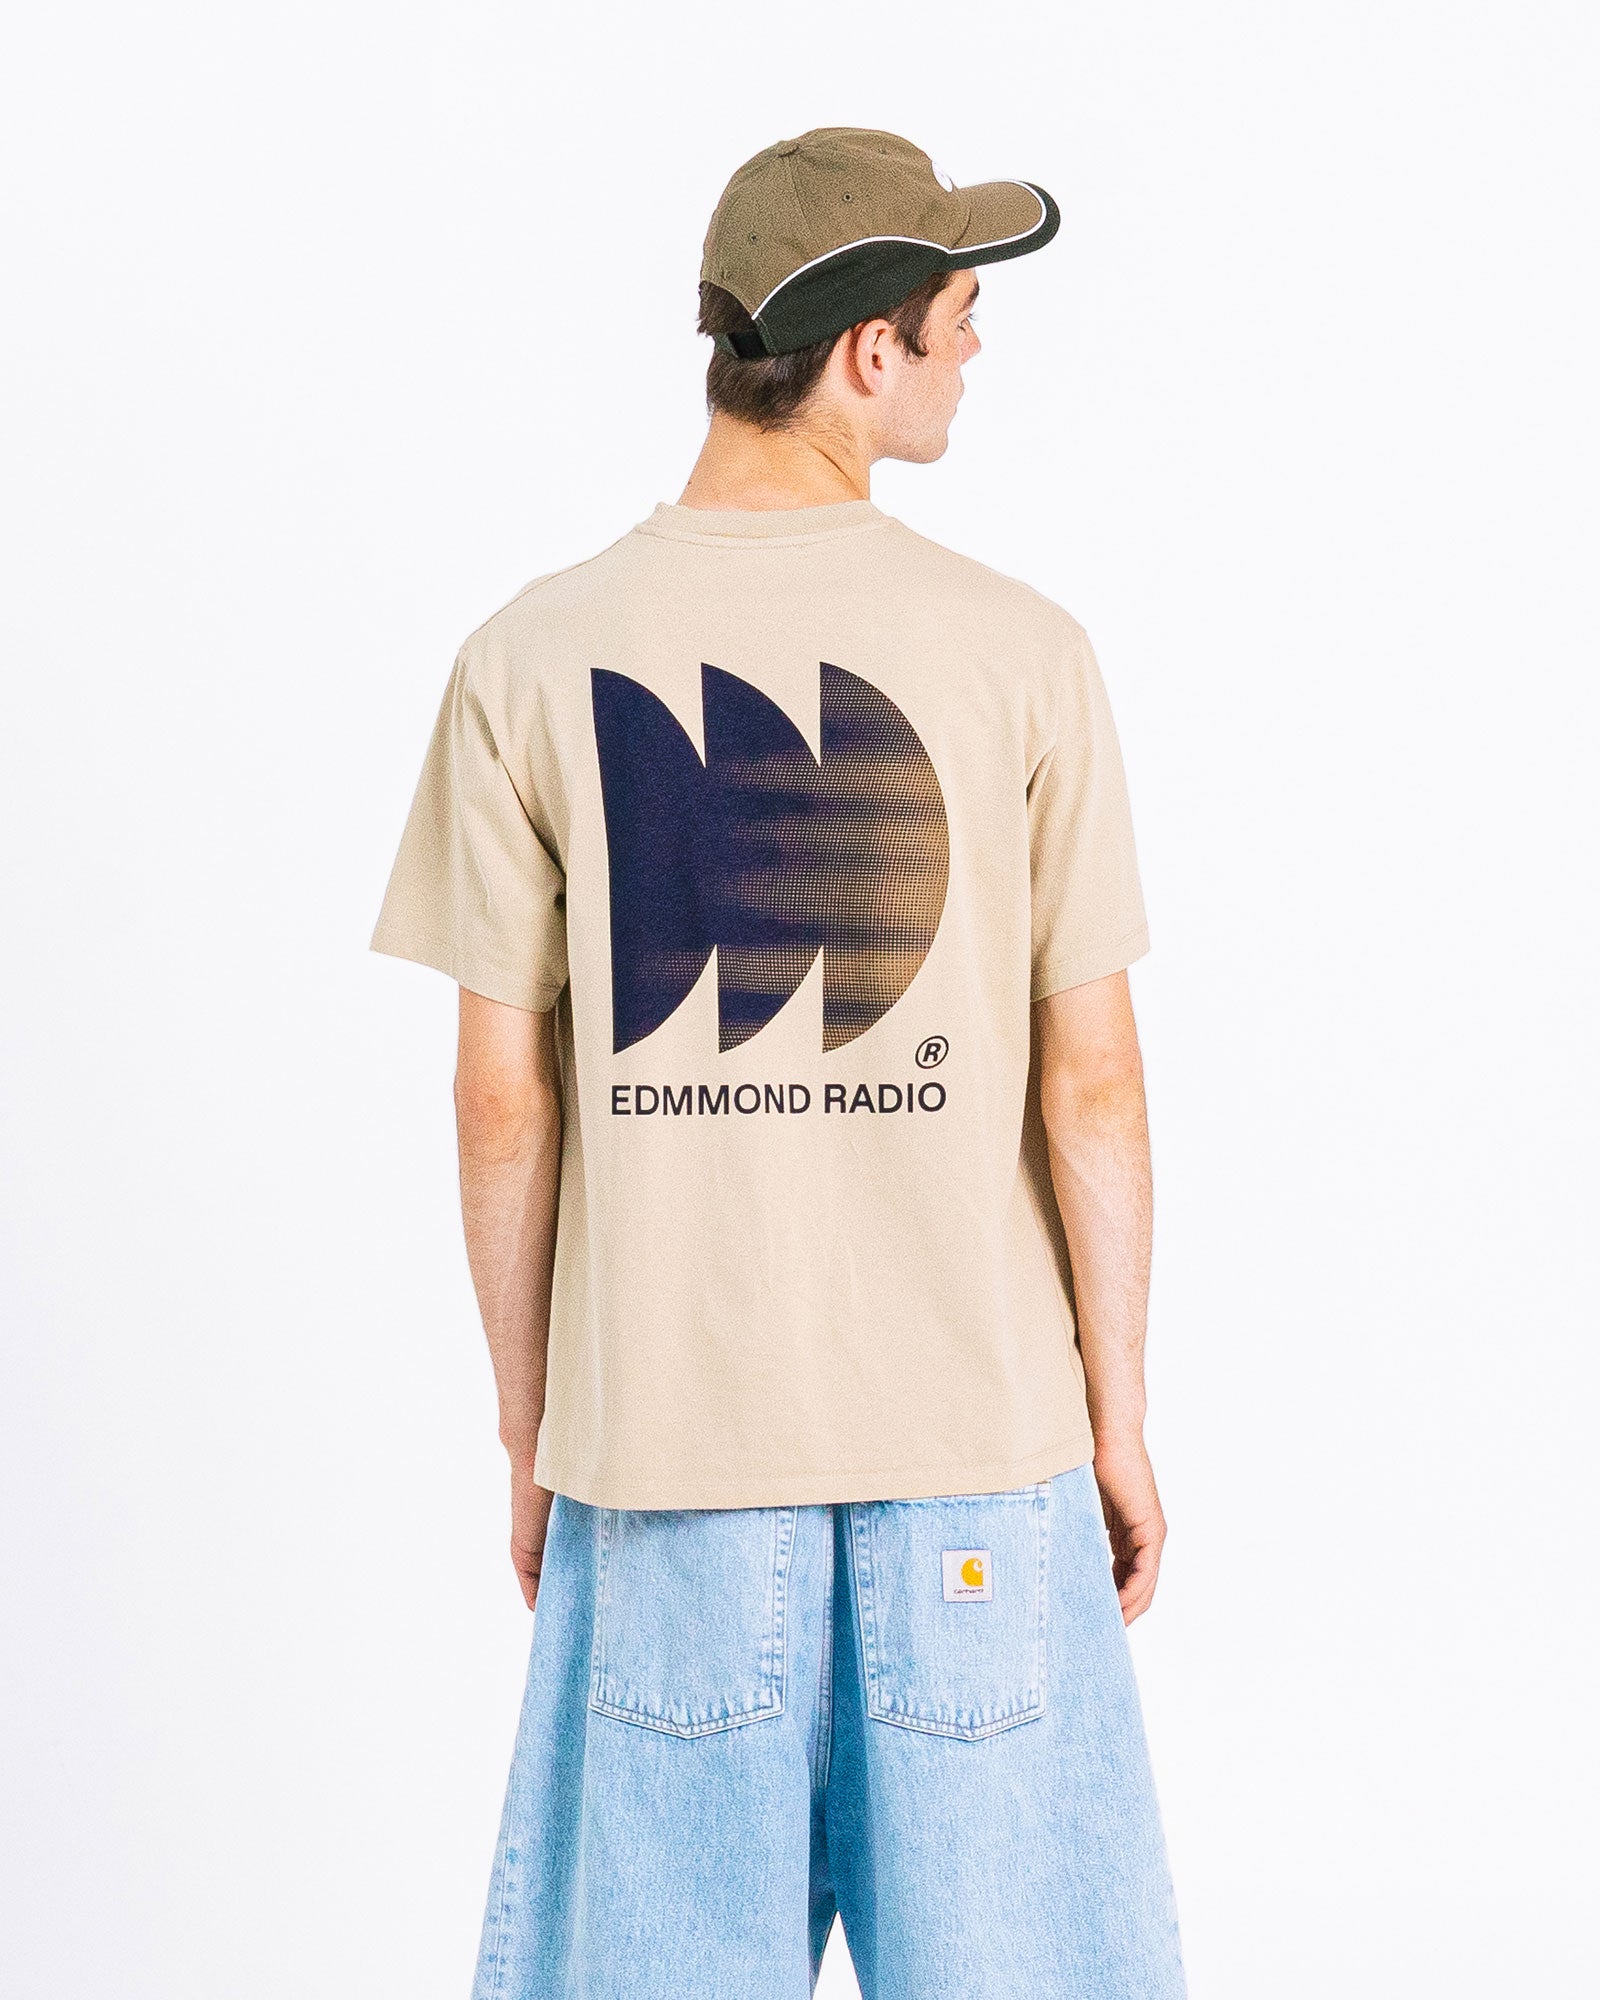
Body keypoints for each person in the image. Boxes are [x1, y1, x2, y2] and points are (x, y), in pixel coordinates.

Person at [372, 126, 1185, 2000]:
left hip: (667, 1470)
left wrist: (532, 1431)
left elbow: (502, 1101)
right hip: (981, 1470)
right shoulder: (1023, 654)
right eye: (960, 317)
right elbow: (1095, 1086)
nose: (977, 350)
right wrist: (1119, 1416)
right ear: (866, 351)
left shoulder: (529, 658)